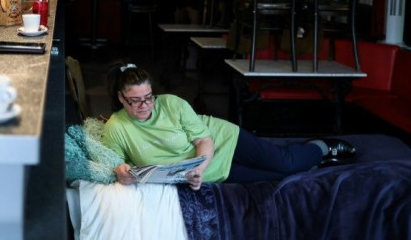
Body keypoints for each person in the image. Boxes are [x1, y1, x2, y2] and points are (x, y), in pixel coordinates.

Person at [101, 63, 357, 190]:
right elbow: (115, 162)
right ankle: (314, 162)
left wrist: (199, 168)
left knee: (285, 163)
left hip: (221, 141)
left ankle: (323, 147)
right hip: (206, 172)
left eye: (148, 97)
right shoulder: (116, 126)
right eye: (135, 101)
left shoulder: (171, 104)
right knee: (280, 176)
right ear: (122, 98)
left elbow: (204, 141)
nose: (145, 105)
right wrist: (121, 171)